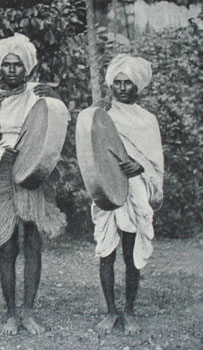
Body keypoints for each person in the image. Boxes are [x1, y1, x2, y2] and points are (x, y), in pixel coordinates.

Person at [0, 33, 68, 336]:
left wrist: (54, 100)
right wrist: (2, 151)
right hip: (3, 171)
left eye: (18, 65)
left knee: (32, 241)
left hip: (34, 172)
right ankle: (10, 313)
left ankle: (28, 311)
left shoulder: (38, 95)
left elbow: (53, 126)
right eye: (7, 64)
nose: (13, 69)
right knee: (6, 243)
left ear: (26, 67)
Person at [92, 53, 164, 336]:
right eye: (118, 83)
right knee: (106, 251)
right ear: (111, 85)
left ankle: (130, 310)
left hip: (135, 188)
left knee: (131, 252)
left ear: (138, 87)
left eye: (128, 83)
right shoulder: (104, 118)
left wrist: (140, 167)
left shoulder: (148, 121)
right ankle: (111, 311)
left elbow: (155, 162)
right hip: (107, 187)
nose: (122, 88)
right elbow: (92, 154)